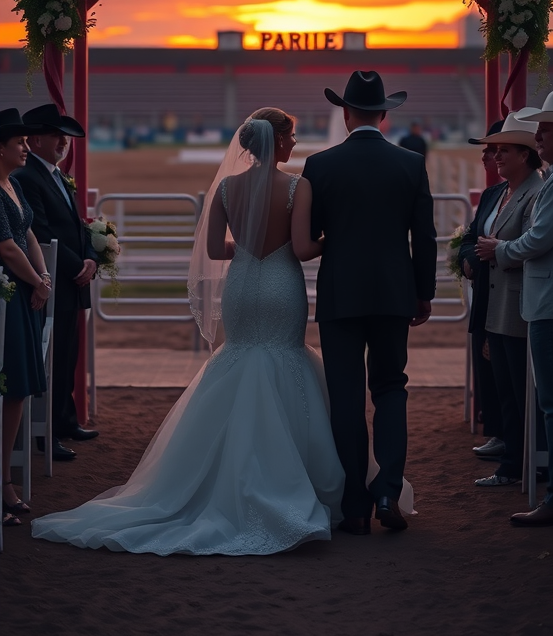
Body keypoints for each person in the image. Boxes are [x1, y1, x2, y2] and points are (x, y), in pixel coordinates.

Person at [32, 108, 345, 555]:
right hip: (281, 285)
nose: (295, 143)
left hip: (241, 284)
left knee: (240, 357)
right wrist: (328, 241)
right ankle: (290, 474)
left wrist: (250, 248)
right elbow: (301, 248)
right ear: (276, 141)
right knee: (283, 358)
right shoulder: (299, 186)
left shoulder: (226, 188)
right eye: (291, 136)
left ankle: (215, 475)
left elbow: (216, 248)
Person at [293, 70, 437, 535]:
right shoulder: (410, 164)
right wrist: (424, 292)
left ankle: (353, 502)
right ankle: (388, 490)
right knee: (392, 388)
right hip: (394, 292)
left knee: (347, 397)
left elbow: (311, 234)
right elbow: (426, 237)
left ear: (346, 113)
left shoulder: (320, 165)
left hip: (342, 292)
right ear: (385, 116)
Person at [477, 90, 553, 527]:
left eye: (546, 130)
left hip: (550, 301)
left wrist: (500, 249)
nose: (539, 137)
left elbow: (539, 240)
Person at [15, 103, 99, 461]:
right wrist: (77, 263)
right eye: (56, 135)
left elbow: (72, 225)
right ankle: (47, 430)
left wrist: (92, 255)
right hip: (57, 278)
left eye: (63, 136)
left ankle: (63, 420)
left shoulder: (53, 174)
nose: (63, 142)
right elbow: (42, 232)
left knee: (67, 354)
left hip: (70, 277)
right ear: (34, 140)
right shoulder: (28, 177)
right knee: (54, 356)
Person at [466, 115, 542, 487]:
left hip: (515, 305)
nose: (495, 156)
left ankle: (519, 463)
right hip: (499, 306)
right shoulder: (511, 191)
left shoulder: (534, 192)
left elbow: (534, 244)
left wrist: (498, 250)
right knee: (508, 390)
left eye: (504, 150)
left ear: (526, 156)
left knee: (519, 391)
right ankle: (516, 461)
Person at [0, 109, 50, 528]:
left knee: (17, 391)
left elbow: (28, 234)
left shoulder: (13, 185)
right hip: (7, 295)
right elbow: (6, 248)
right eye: (19, 142)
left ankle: (4, 481)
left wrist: (43, 277)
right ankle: (3, 484)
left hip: (22, 294)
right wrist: (37, 281)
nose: (26, 147)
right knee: (12, 386)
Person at [459, 120, 506, 460]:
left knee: (503, 364)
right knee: (489, 362)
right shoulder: (492, 194)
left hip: (505, 292)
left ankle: (509, 434)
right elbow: (470, 238)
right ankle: (500, 429)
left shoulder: (534, 191)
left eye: (494, 150)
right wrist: (468, 259)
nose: (488, 156)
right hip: (487, 290)